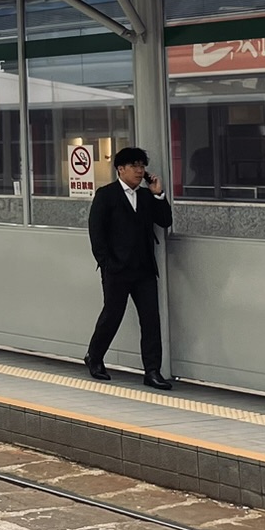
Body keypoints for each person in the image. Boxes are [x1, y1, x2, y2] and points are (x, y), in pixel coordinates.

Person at [85, 146, 175, 390]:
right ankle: (94, 357)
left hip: (144, 268)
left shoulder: (146, 196)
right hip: (117, 269)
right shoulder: (106, 195)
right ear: (120, 169)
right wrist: (107, 264)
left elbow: (165, 221)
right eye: (134, 166)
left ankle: (152, 371)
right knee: (112, 315)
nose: (139, 170)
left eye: (142, 166)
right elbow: (96, 233)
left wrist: (158, 194)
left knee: (150, 319)